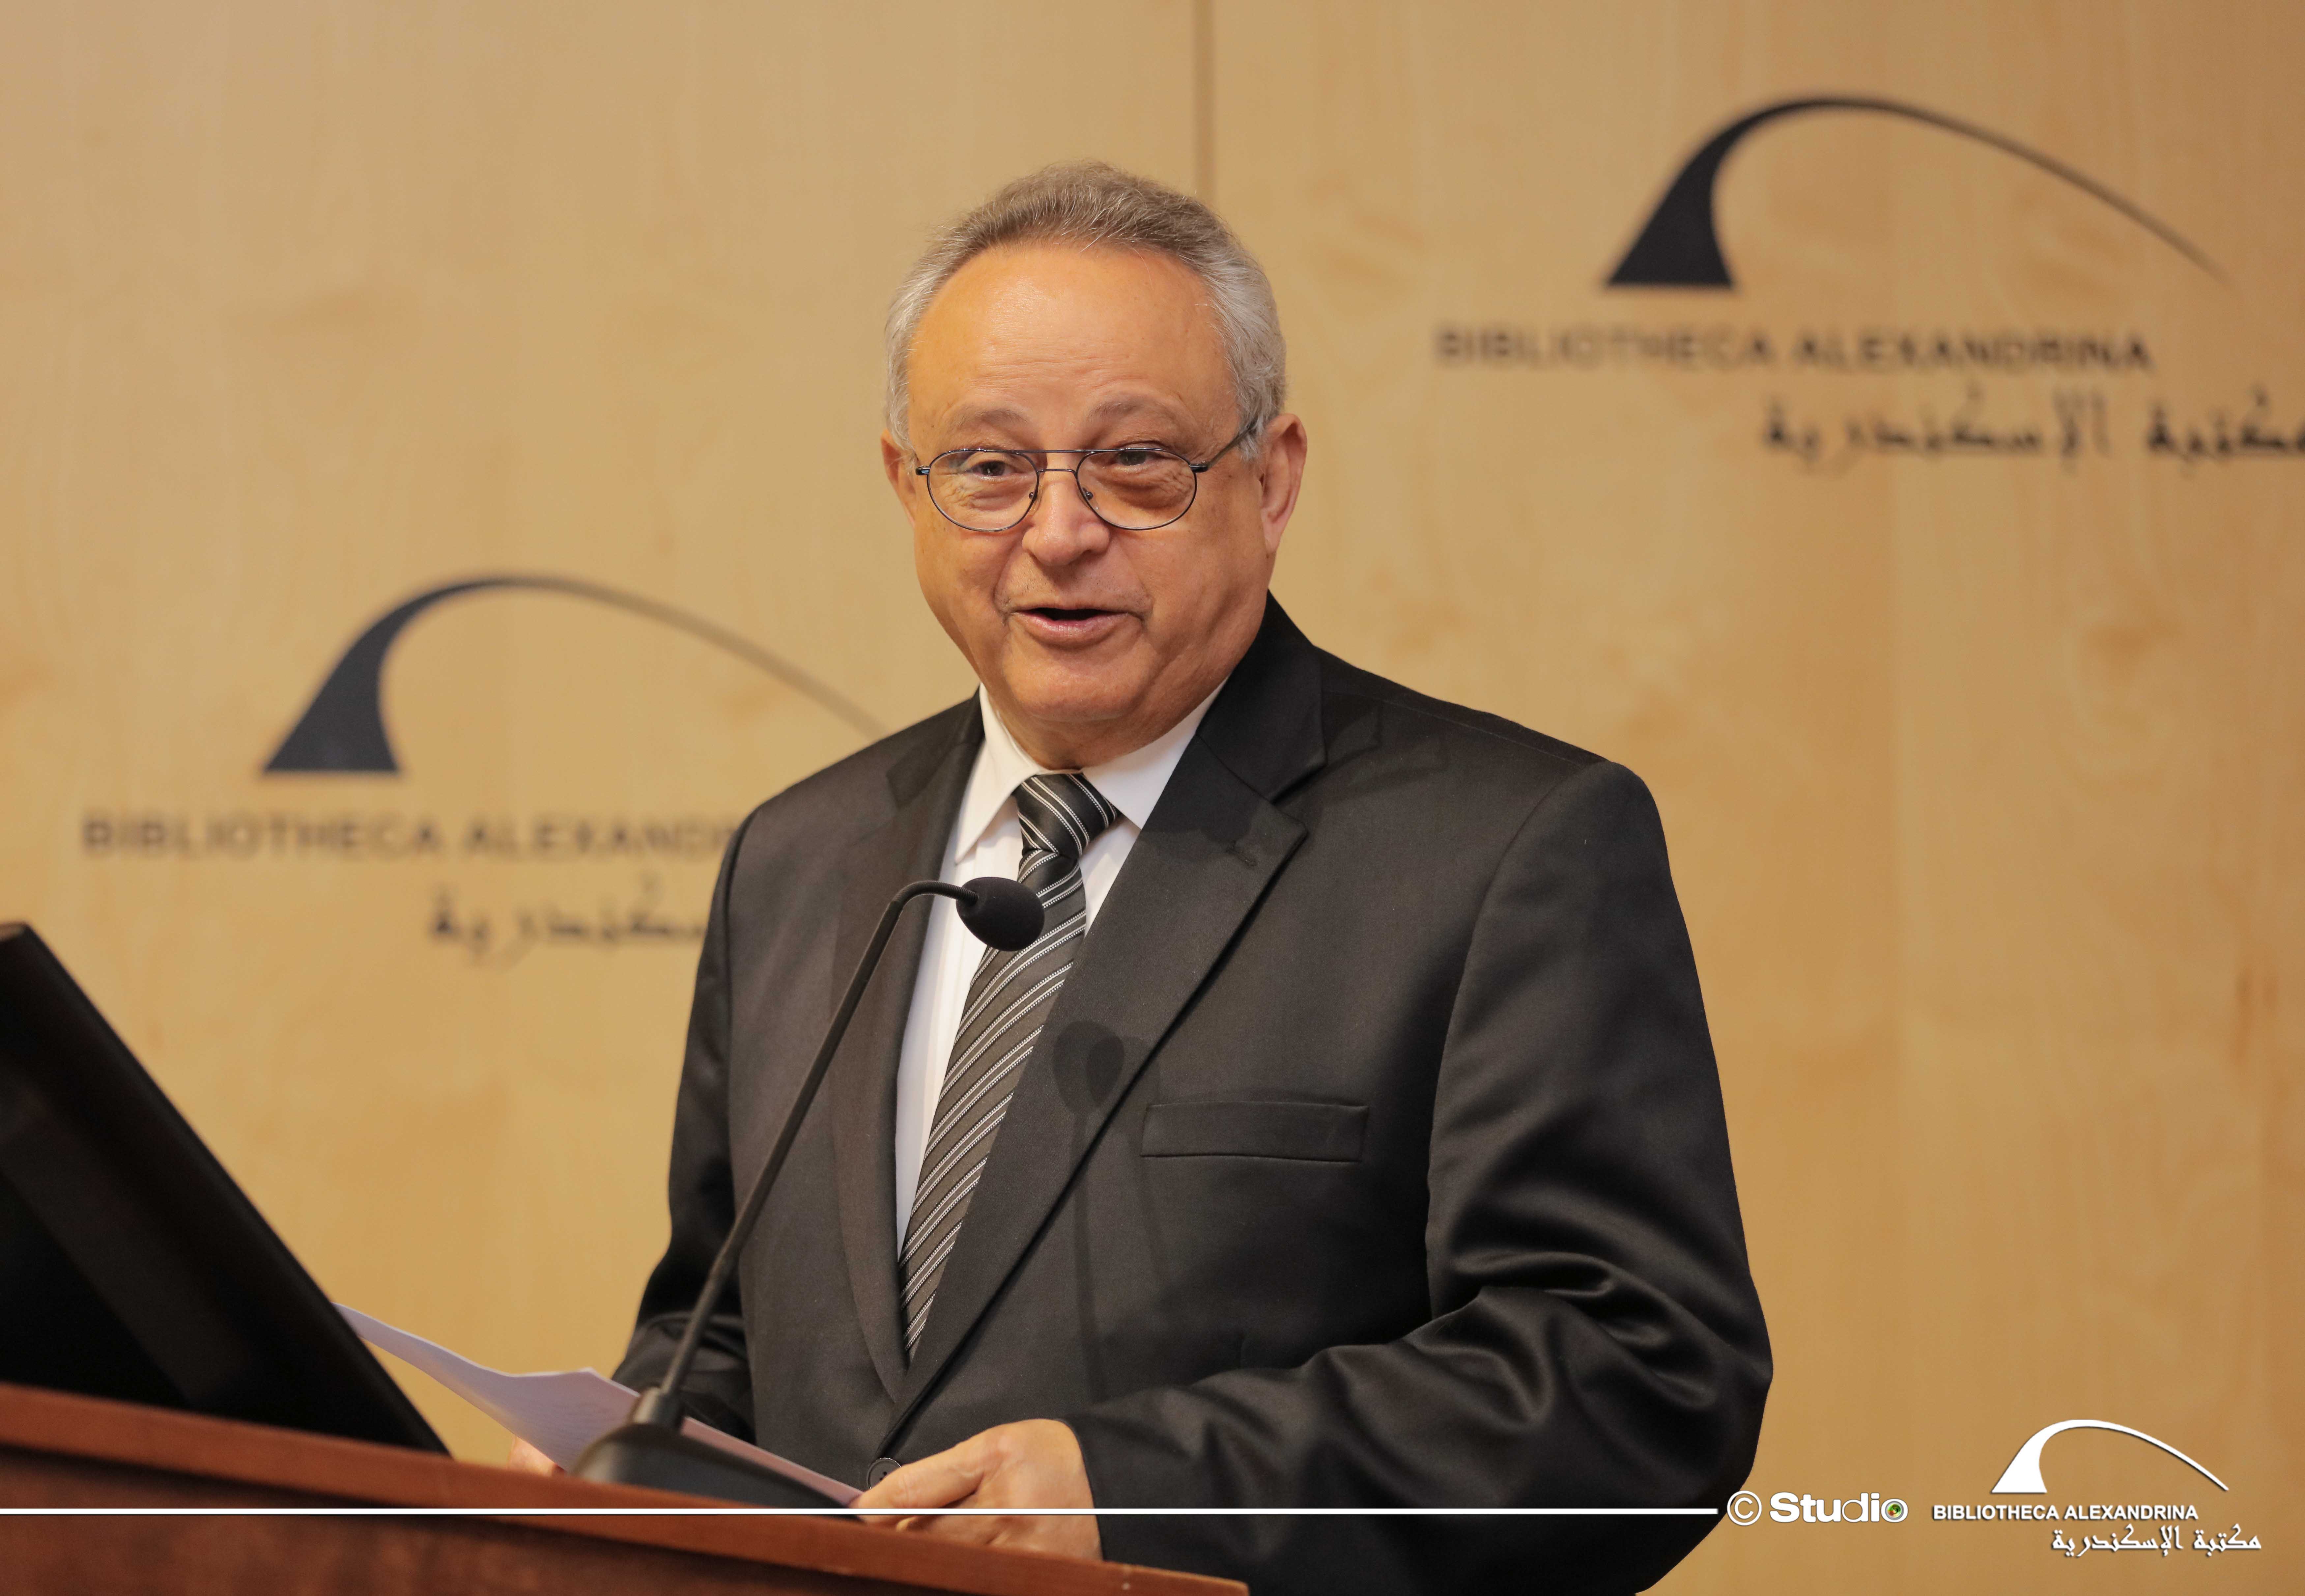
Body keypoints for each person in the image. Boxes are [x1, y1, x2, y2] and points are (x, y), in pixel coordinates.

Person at [524, 161, 1771, 1594]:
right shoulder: (799, 859)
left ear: (1270, 479)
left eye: (1135, 463)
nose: (1058, 532)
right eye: (989, 467)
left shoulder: (1504, 850)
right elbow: (724, 1332)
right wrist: (630, 1463)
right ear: (905, 488)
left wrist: (1139, 1495)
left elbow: (1636, 1381)